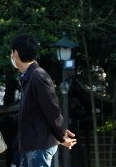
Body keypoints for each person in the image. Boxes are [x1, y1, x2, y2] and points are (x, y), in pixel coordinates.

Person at [10, 33, 77, 167]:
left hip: (39, 146)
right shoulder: (30, 76)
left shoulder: (38, 76)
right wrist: (61, 133)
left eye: (11, 53)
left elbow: (52, 110)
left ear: (15, 53)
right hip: (32, 145)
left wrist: (62, 135)